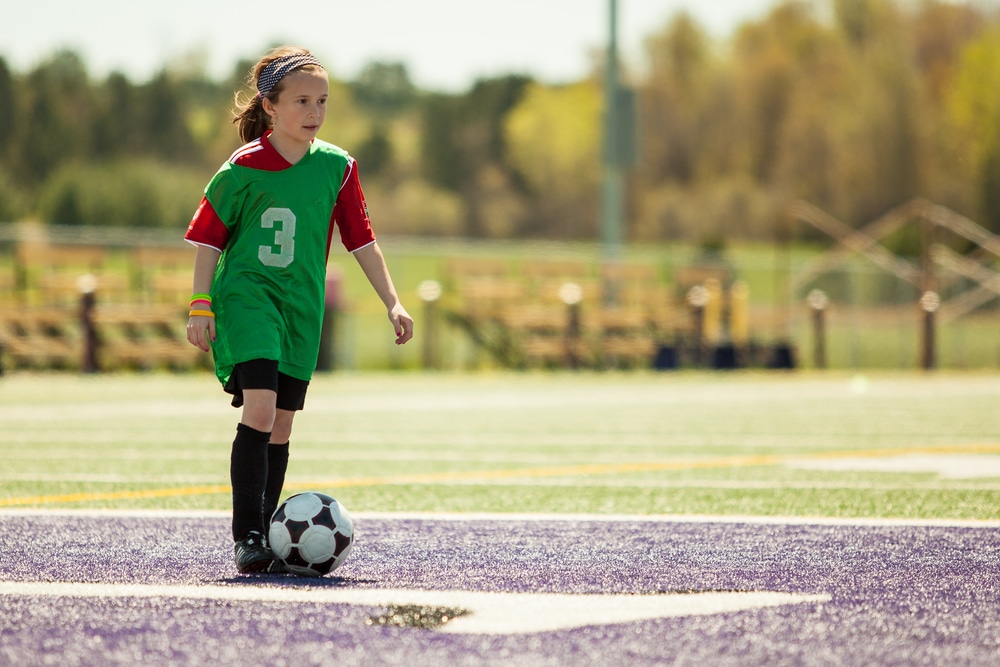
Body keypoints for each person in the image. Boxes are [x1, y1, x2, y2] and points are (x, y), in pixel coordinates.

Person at [184, 46, 414, 574]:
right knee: (260, 407)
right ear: (270, 106)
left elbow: (363, 243)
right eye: (302, 100)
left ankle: (267, 532)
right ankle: (246, 537)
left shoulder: (337, 167)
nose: (314, 111)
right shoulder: (240, 170)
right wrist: (201, 305)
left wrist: (393, 301)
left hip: (301, 309)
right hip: (248, 299)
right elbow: (207, 243)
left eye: (323, 101)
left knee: (282, 424)